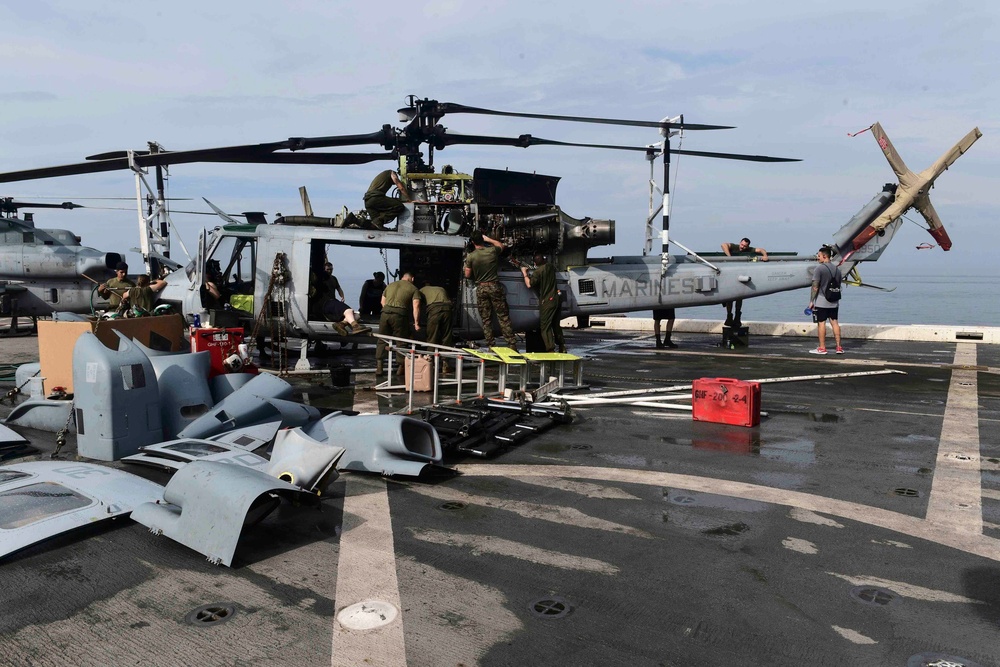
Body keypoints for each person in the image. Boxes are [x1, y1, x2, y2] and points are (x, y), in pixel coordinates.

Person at [464, 231, 518, 350]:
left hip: (481, 288)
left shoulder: (471, 256)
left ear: (473, 242)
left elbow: (467, 274)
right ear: (482, 240)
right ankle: (511, 344)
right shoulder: (492, 251)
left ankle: (491, 345)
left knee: (486, 319)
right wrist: (489, 239)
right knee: (503, 316)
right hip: (494, 286)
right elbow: (501, 246)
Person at [376, 271, 422, 376]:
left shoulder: (390, 285)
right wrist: (416, 323)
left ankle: (379, 368)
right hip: (400, 315)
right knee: (401, 341)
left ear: (402, 278)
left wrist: (389, 311)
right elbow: (416, 306)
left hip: (385, 313)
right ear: (412, 279)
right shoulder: (413, 288)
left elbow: (382, 302)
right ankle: (400, 369)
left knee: (382, 339)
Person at [520, 253, 565, 353]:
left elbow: (529, 284)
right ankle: (562, 346)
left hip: (547, 301)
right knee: (556, 324)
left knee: (545, 326)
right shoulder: (550, 267)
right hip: (556, 298)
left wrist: (525, 273)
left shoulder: (538, 272)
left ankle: (550, 349)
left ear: (535, 263)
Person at [720, 237, 768, 327]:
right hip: (730, 276)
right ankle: (729, 316)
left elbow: (761, 250)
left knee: (739, 297)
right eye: (742, 245)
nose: (742, 247)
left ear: (747, 246)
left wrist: (765, 255)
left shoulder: (749, 249)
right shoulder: (734, 247)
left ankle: (737, 317)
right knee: (729, 298)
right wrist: (730, 258)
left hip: (740, 275)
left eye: (745, 246)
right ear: (740, 243)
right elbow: (723, 245)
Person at [808, 246, 844, 355]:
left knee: (821, 323)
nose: (817, 258)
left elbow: (815, 286)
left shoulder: (819, 269)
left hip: (822, 301)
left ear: (824, 256)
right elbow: (839, 284)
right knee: (835, 323)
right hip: (834, 301)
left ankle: (822, 348)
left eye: (819, 256)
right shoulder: (837, 269)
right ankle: (839, 347)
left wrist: (811, 301)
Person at [419, 280, 454, 349]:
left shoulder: (421, 290)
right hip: (448, 309)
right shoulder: (441, 288)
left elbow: (417, 304)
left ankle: (430, 356)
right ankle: (445, 357)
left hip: (435, 309)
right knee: (446, 334)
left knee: (432, 334)